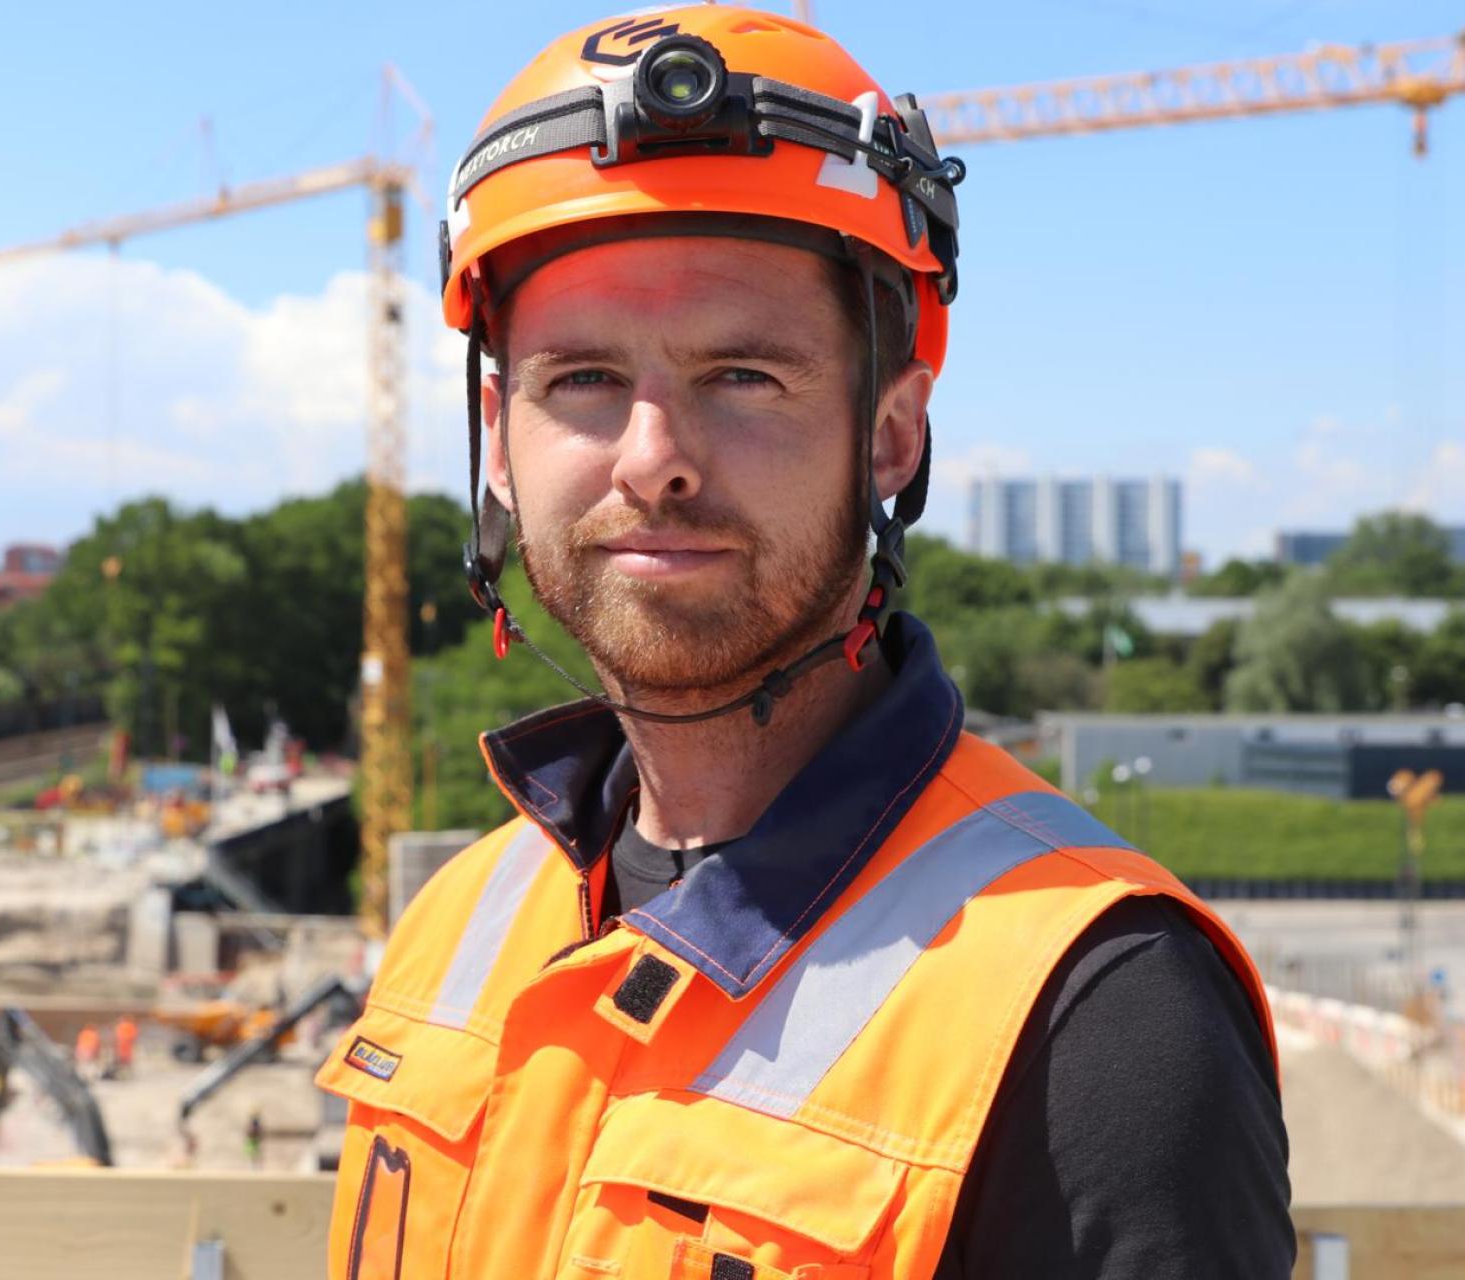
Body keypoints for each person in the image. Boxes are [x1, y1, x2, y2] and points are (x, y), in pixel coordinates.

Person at [316, 8, 1291, 1279]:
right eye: (584, 383)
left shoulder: (1095, 1009)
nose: (654, 459)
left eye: (744, 377)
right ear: (498, 439)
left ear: (891, 433)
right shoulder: (456, 924)